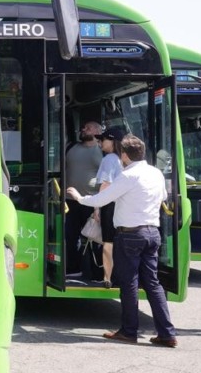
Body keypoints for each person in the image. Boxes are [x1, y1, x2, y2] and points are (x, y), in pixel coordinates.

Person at [66, 134, 177, 348]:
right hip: (152, 233)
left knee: (129, 283)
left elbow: (102, 199)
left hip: (130, 235)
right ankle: (167, 333)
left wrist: (79, 198)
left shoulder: (128, 175)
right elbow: (163, 196)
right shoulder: (155, 173)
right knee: (153, 283)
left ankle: (128, 331)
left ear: (124, 155)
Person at [64, 120, 104, 277]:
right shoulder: (71, 147)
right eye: (84, 127)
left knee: (95, 237)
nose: (83, 129)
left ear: (97, 132)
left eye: (88, 128)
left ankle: (97, 273)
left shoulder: (102, 151)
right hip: (70, 201)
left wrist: (99, 205)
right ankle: (74, 269)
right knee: (71, 236)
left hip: (92, 201)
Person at [94, 125, 127, 287]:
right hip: (125, 205)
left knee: (108, 241)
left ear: (112, 141)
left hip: (110, 205)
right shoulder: (126, 159)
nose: (100, 142)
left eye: (103, 139)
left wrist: (96, 207)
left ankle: (107, 277)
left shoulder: (109, 159)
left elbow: (105, 184)